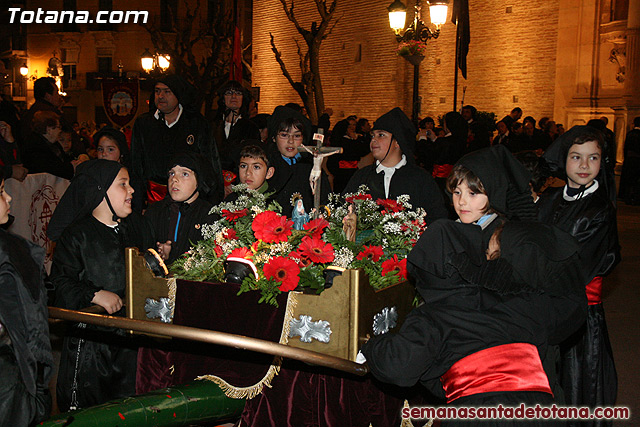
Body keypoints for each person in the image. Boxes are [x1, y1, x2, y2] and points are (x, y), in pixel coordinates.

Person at [362, 218, 587, 426]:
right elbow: (568, 303)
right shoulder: (520, 302)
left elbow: (399, 366)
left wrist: (370, 345)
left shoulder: (431, 317)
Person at [48, 159, 153, 411]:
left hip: (128, 341)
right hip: (91, 347)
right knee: (92, 410)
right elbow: (59, 284)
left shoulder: (134, 227)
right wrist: (94, 295)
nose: (132, 190)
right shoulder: (76, 236)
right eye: (123, 185)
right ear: (100, 191)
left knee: (127, 406)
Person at [538, 126, 620, 423]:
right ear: (564, 159)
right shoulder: (549, 198)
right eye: (576, 157)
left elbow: (575, 262)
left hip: (579, 317)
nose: (585, 166)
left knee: (577, 386)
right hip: (547, 309)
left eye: (593, 158)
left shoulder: (600, 209)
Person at [0, 179, 54, 425]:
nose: (9, 198)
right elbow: (33, 322)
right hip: (10, 377)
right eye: (0, 192)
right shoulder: (12, 252)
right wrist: (39, 388)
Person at [131, 75, 223, 210]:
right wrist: (138, 204)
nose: (161, 96)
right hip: (153, 200)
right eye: (157, 91)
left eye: (167, 91)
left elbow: (209, 162)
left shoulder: (197, 123)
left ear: (178, 94)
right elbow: (136, 165)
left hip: (190, 201)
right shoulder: (144, 123)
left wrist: (211, 201)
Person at [343, 107, 448, 224]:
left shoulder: (420, 178)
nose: (374, 140)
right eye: (373, 135)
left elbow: (437, 219)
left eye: (381, 135)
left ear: (398, 141)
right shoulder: (362, 176)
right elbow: (343, 212)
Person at [144, 152, 217, 264]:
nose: (175, 179)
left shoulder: (209, 215)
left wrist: (174, 254)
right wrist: (158, 255)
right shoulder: (155, 211)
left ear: (199, 180)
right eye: (171, 174)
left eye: (184, 174)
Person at [266, 106, 330, 218]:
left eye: (296, 136)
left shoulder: (313, 167)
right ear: (274, 138)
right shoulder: (267, 165)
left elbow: (325, 201)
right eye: (284, 135)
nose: (290, 141)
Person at [211, 80, 260, 173]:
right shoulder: (212, 126)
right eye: (229, 93)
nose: (234, 96)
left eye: (238, 93)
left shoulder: (251, 128)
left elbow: (254, 158)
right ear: (223, 98)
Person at [22, 111, 82, 180]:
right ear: (49, 129)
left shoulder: (53, 144)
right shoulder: (35, 146)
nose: (60, 130)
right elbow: (52, 167)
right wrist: (71, 167)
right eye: (58, 127)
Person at [618, 116, 640, 204]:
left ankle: (628, 197)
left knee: (629, 180)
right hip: (637, 160)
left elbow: (626, 148)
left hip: (629, 160)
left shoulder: (630, 134)